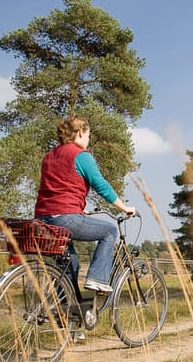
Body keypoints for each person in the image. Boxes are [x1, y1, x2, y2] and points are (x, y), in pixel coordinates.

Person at [35, 115, 136, 296]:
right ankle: (97, 279)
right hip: (64, 218)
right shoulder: (80, 156)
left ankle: (65, 311)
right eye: (88, 135)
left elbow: (56, 188)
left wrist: (78, 209)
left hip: (42, 219)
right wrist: (124, 207)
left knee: (69, 262)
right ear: (81, 132)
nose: (88, 140)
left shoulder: (49, 156)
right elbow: (101, 185)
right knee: (110, 231)